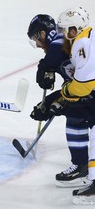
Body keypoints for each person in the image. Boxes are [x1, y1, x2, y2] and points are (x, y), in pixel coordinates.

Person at [27, 14, 91, 188]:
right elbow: (73, 85)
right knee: (76, 110)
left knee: (76, 116)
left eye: (35, 39)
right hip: (88, 89)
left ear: (42, 33)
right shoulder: (66, 41)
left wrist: (44, 66)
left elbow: (79, 90)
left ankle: (81, 166)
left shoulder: (58, 42)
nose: (38, 45)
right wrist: (52, 101)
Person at [56, 7, 95, 204]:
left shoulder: (82, 42)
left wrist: (65, 92)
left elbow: (84, 86)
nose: (64, 34)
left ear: (74, 29)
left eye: (65, 29)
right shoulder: (90, 36)